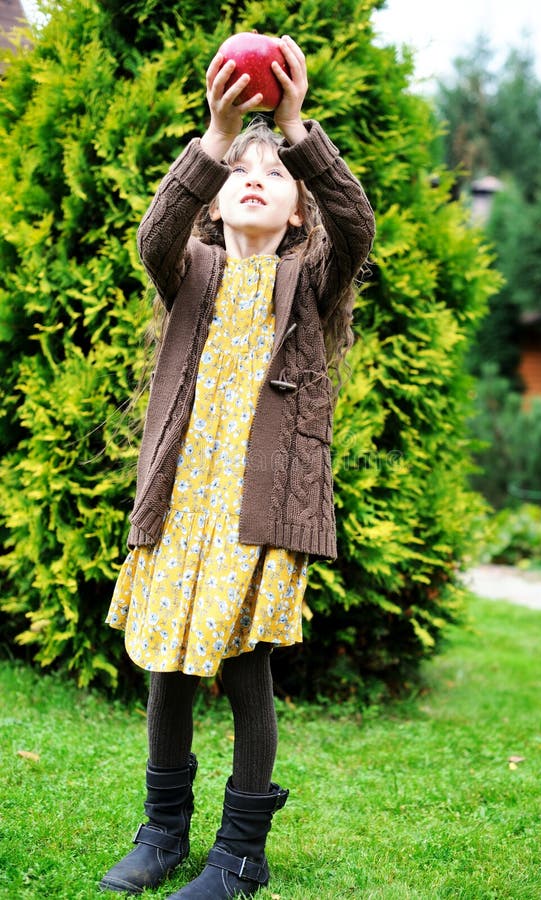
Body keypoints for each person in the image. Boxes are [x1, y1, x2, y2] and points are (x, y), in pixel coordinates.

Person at [100, 34, 375, 900]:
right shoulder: (189, 271)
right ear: (216, 204)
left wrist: (294, 128)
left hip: (257, 511)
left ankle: (242, 852)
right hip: (183, 502)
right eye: (237, 176)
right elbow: (154, 229)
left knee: (245, 664)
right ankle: (162, 833)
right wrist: (215, 138)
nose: (253, 178)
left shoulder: (310, 280)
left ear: (296, 211)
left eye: (273, 174)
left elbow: (356, 222)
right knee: (168, 667)